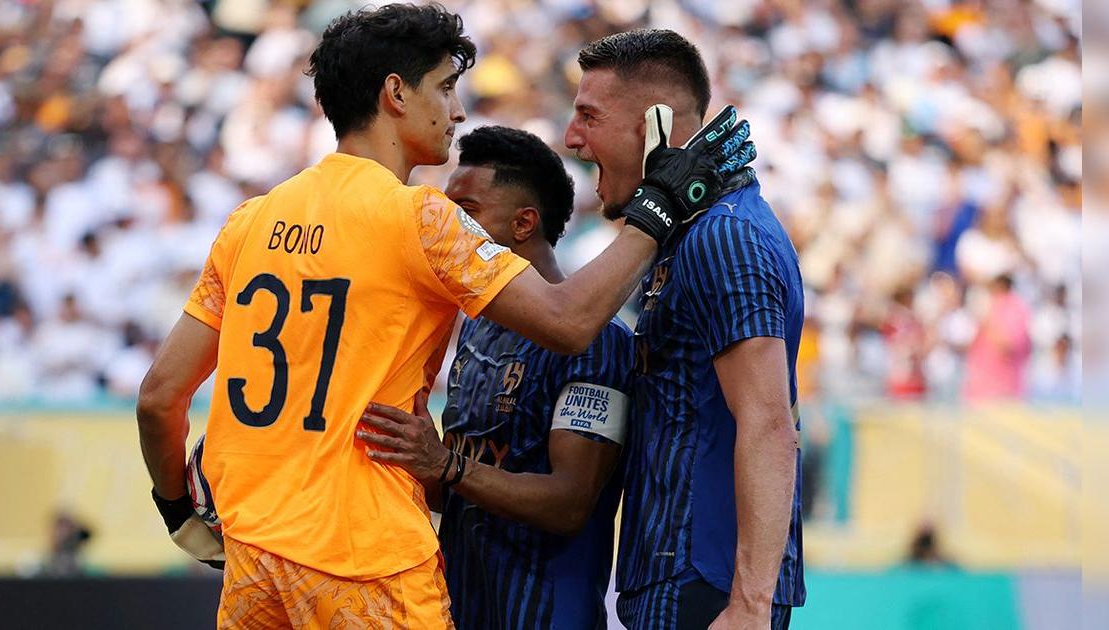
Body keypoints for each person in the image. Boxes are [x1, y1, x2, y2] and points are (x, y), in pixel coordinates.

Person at [135, 5, 752, 628]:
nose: (456, 111)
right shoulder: (420, 218)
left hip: (253, 560)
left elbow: (161, 396)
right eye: (445, 87)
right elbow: (568, 322)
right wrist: (664, 203)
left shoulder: (249, 221)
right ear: (396, 93)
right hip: (366, 558)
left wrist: (177, 510)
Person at [563, 29, 807, 628]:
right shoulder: (690, 233)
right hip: (678, 577)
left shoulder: (725, 235)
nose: (572, 138)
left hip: (707, 588)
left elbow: (771, 422)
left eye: (590, 117)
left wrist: (749, 604)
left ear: (658, 128)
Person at [358, 125, 632, 629]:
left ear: (524, 223)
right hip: (459, 608)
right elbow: (456, 488)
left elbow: (570, 503)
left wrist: (444, 464)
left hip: (548, 613)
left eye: (466, 212)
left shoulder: (598, 341)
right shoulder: (477, 327)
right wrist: (409, 456)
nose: (447, 225)